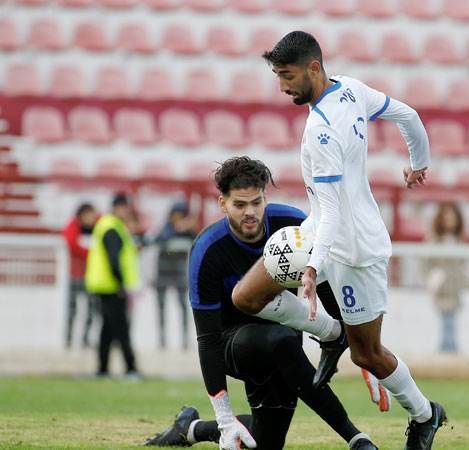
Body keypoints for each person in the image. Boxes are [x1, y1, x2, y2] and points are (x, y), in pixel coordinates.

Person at [230, 31, 446, 450]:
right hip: (323, 230)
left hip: (354, 249)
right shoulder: (352, 88)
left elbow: (332, 211)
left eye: (287, 75)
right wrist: (418, 163)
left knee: (368, 355)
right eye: (277, 76)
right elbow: (409, 116)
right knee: (247, 296)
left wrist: (312, 268)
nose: (282, 87)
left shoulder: (321, 131)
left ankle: (424, 414)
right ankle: (331, 334)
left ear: (313, 67)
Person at [145, 157, 377, 450]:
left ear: (265, 197)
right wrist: (225, 417)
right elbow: (207, 340)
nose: (250, 212)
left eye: (256, 202)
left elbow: (327, 283)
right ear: (222, 204)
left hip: (285, 340)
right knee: (280, 338)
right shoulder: (207, 249)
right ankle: (356, 438)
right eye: (240, 205)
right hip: (235, 345)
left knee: (266, 443)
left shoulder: (293, 226)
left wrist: (360, 348)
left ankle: (190, 428)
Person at [85, 192, 140, 378]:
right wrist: (120, 285)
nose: (125, 211)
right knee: (122, 328)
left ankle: (102, 369)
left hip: (105, 286)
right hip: (111, 287)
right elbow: (114, 259)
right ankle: (131, 368)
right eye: (123, 207)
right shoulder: (112, 227)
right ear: (117, 208)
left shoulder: (109, 225)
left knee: (107, 330)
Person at [153, 201, 196, 350]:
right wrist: (177, 228)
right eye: (175, 215)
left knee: (183, 306)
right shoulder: (166, 228)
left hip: (179, 275)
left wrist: (188, 227)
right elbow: (159, 239)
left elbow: (199, 241)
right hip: (162, 274)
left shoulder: (189, 231)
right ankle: (162, 340)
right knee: (161, 308)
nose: (178, 218)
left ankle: (184, 340)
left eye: (181, 215)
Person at [424, 202, 466, 353]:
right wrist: (435, 280)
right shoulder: (435, 240)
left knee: (451, 321)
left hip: (454, 289)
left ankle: (450, 349)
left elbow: (463, 264)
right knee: (446, 321)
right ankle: (446, 349)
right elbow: (427, 264)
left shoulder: (459, 241)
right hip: (441, 289)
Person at [62, 202, 98, 349]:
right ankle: (69, 340)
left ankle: (85, 339)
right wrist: (92, 255)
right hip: (75, 276)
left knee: (91, 310)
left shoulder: (97, 227)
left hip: (92, 276)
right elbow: (71, 244)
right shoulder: (74, 227)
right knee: (72, 310)